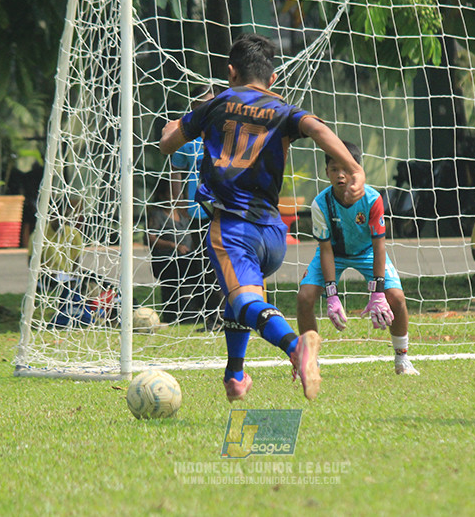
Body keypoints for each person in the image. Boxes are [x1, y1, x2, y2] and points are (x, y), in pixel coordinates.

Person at [159, 32, 365, 402]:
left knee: (244, 302)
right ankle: (235, 377)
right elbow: (318, 129)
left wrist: (180, 122)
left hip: (233, 228)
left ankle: (295, 347)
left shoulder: (218, 102)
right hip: (273, 234)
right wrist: (354, 169)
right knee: (236, 297)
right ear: (272, 80)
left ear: (231, 73)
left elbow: (168, 142)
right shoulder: (283, 109)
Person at [296, 141, 419, 376]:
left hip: (367, 252)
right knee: (304, 296)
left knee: (397, 297)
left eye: (347, 170)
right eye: (334, 170)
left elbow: (379, 246)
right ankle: (311, 361)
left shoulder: (373, 200)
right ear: (326, 173)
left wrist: (378, 292)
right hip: (334, 253)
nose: (340, 176)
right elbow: (326, 250)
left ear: (358, 171)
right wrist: (332, 296)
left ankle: (402, 358)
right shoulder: (320, 204)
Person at [169, 85, 224, 331]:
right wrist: (177, 202)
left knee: (225, 262)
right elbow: (176, 169)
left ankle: (229, 315)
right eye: (198, 103)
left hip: (223, 210)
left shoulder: (226, 130)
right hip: (197, 212)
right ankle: (212, 318)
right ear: (192, 107)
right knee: (203, 265)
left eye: (208, 102)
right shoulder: (188, 138)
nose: (203, 107)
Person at [144, 177, 197, 324]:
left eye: (177, 193)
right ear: (162, 195)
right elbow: (150, 239)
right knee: (182, 271)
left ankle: (194, 311)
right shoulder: (157, 215)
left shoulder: (183, 215)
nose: (176, 197)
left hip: (186, 258)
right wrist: (173, 245)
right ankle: (174, 315)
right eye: (171, 193)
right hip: (167, 261)